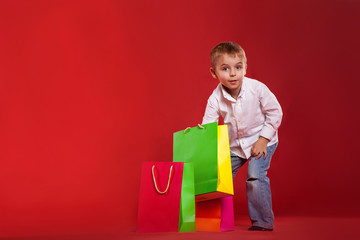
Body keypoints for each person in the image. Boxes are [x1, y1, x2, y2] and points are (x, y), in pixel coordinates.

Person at [202, 42, 283, 231]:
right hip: (235, 145)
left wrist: (263, 139)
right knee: (219, 175)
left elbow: (275, 113)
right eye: (225, 69)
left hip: (262, 139)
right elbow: (209, 125)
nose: (233, 74)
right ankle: (218, 218)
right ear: (214, 73)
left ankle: (262, 222)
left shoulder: (257, 88)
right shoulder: (215, 98)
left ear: (245, 68)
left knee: (255, 176)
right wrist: (204, 143)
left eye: (238, 67)